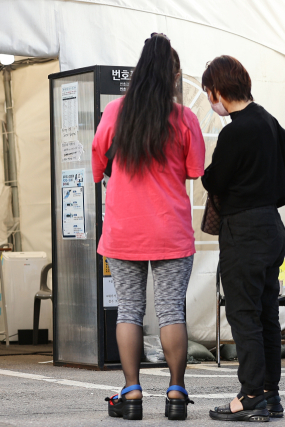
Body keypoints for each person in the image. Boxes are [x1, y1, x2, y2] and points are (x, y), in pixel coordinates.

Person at [91, 33, 205, 421]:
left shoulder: (116, 112)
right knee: (172, 311)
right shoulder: (184, 117)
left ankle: (132, 393)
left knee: (129, 311)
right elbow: (194, 170)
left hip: (124, 230)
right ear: (174, 75)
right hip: (171, 230)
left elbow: (96, 157)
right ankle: (176, 393)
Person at [201, 56, 285, 422]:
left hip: (243, 231)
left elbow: (214, 180)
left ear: (218, 91)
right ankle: (270, 394)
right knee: (265, 314)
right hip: (272, 228)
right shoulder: (267, 120)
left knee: (243, 315)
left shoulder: (235, 131)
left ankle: (251, 395)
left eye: (209, 93)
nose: (211, 101)